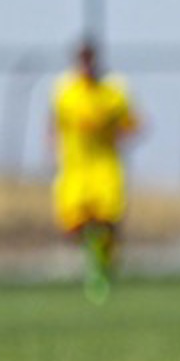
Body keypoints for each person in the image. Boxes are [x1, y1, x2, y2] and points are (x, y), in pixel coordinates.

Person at [49, 37, 140, 304]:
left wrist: (111, 129)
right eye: (82, 59)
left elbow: (133, 124)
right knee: (75, 225)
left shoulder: (113, 91)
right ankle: (95, 262)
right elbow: (54, 124)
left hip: (104, 165)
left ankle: (101, 269)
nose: (86, 64)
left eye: (89, 58)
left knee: (106, 222)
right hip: (75, 167)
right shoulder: (64, 90)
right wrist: (53, 150)